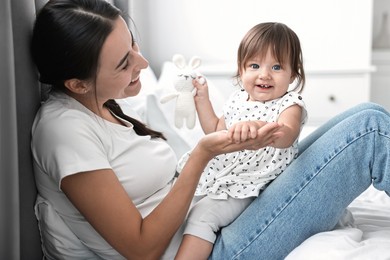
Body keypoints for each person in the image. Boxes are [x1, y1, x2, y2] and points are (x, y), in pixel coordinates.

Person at [30, 0, 390, 259]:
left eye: (134, 46)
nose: (142, 61)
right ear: (77, 84)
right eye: (125, 63)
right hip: (209, 244)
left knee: (367, 113)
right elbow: (141, 250)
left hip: (221, 206)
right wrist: (202, 154)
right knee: (370, 131)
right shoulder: (65, 131)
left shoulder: (104, 105)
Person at [175, 22, 307, 260]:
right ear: (242, 70)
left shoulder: (289, 104)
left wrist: (258, 127)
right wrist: (202, 99)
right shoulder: (238, 100)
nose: (264, 74)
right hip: (221, 176)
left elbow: (287, 134)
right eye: (254, 65)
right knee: (178, 203)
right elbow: (215, 129)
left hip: (251, 184)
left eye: (276, 67)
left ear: (293, 75)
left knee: (203, 216)